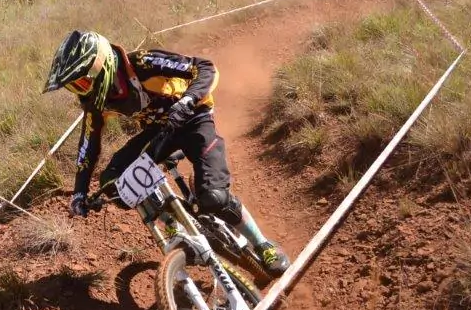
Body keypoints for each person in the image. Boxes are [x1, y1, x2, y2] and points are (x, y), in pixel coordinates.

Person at [43, 30, 291, 276]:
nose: (80, 92)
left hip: (194, 118)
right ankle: (173, 225)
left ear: (100, 66)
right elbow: (88, 144)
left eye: (81, 83)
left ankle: (263, 244)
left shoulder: (143, 63)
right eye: (73, 87)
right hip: (159, 132)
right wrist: (79, 192)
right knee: (112, 182)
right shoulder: (98, 103)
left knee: (214, 197)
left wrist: (188, 100)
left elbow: (204, 67)